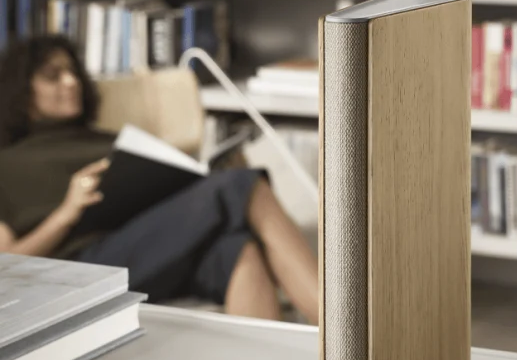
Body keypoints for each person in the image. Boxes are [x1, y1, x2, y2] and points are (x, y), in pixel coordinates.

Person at [0, 35, 318, 324]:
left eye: (73, 73)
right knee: (238, 186)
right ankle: (344, 335)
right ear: (21, 90)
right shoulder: (8, 164)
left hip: (150, 247)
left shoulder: (108, 139)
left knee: (235, 249)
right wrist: (65, 215)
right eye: (53, 76)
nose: (71, 82)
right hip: (81, 268)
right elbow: (8, 263)